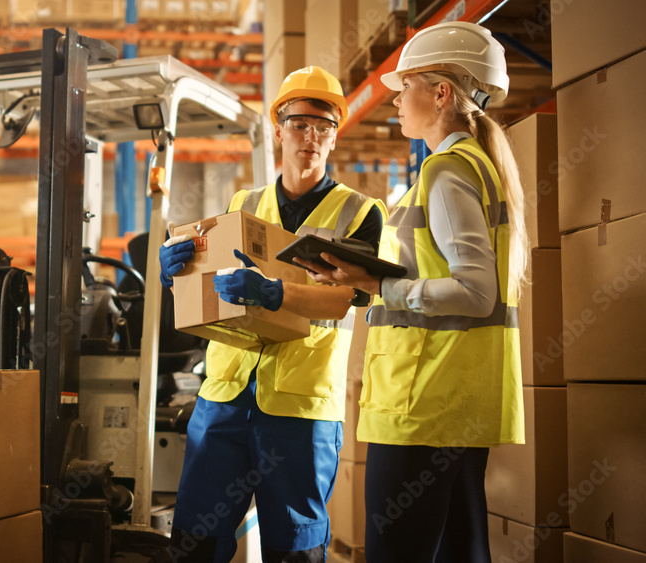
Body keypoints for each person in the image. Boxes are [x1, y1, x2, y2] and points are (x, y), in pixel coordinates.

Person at [296, 22, 528, 562]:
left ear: (441, 92)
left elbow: (474, 292)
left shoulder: (447, 171)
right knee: (460, 550)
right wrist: (363, 279)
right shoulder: (472, 166)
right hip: (452, 397)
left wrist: (378, 283)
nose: (397, 100)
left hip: (424, 403)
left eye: (406, 88)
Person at [160, 66, 387, 563]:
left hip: (299, 410)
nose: (313, 137)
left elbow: (353, 296)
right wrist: (175, 272)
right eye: (302, 123)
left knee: (295, 552)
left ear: (335, 136)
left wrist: (275, 293)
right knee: (193, 540)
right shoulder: (246, 204)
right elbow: (210, 283)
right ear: (279, 128)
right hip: (223, 397)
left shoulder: (360, 213)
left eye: (325, 127)